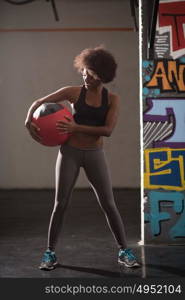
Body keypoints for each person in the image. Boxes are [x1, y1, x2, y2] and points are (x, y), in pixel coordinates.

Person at [25, 46, 140, 270]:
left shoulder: (112, 99)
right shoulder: (74, 92)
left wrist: (76, 126)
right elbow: (38, 102)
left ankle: (124, 251)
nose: (86, 76)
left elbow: (107, 130)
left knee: (108, 203)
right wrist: (27, 121)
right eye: (84, 71)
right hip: (70, 152)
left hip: (94, 154)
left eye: (91, 74)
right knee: (60, 203)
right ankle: (50, 253)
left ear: (102, 76)